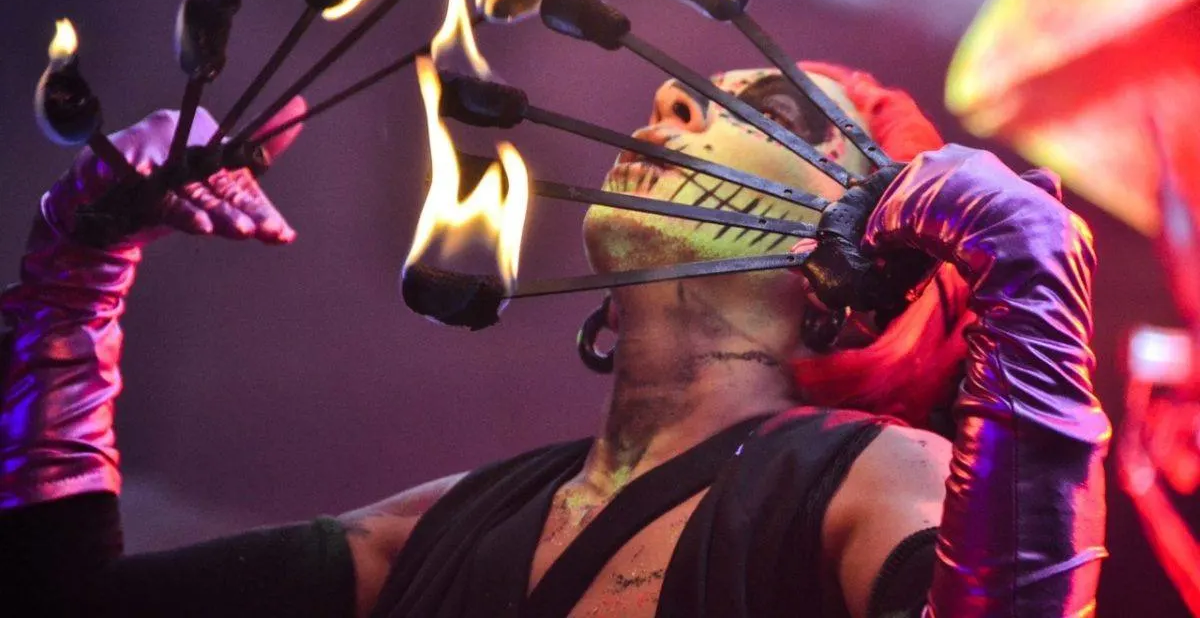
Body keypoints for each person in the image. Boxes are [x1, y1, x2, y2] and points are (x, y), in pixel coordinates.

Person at [0, 63, 1110, 617]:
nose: (669, 101)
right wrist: (73, 277)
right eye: (684, 92)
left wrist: (1032, 289)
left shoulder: (872, 475)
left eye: (768, 105)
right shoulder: (452, 522)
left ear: (868, 254)